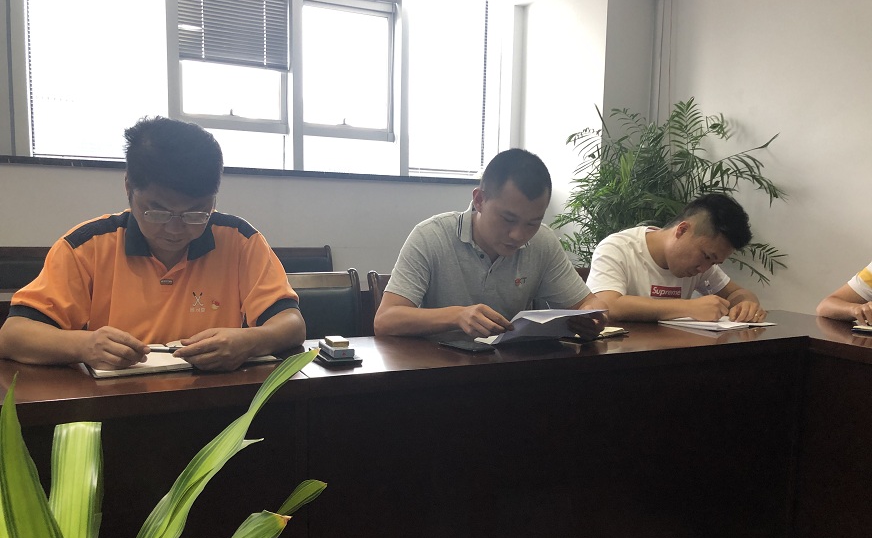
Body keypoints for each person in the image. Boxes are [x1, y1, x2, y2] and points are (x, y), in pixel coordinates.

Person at [0, 116, 305, 371]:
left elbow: (292, 323)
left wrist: (250, 341)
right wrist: (84, 345)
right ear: (129, 188)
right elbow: (13, 335)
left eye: (195, 213)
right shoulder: (88, 246)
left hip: (215, 395)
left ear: (213, 201)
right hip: (117, 400)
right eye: (157, 212)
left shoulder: (240, 240)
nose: (175, 229)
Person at [373, 148, 608, 340]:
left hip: (507, 369)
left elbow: (588, 302)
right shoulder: (431, 236)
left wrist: (593, 317)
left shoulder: (542, 242)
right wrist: (457, 316)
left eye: (532, 223)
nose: (518, 235)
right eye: (508, 219)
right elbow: (385, 320)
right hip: (438, 370)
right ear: (479, 200)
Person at [585, 193, 767, 322]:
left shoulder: (704, 265)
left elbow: (738, 293)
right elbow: (606, 304)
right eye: (706, 256)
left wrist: (747, 304)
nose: (704, 269)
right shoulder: (618, 248)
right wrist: (689, 307)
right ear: (682, 230)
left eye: (714, 262)